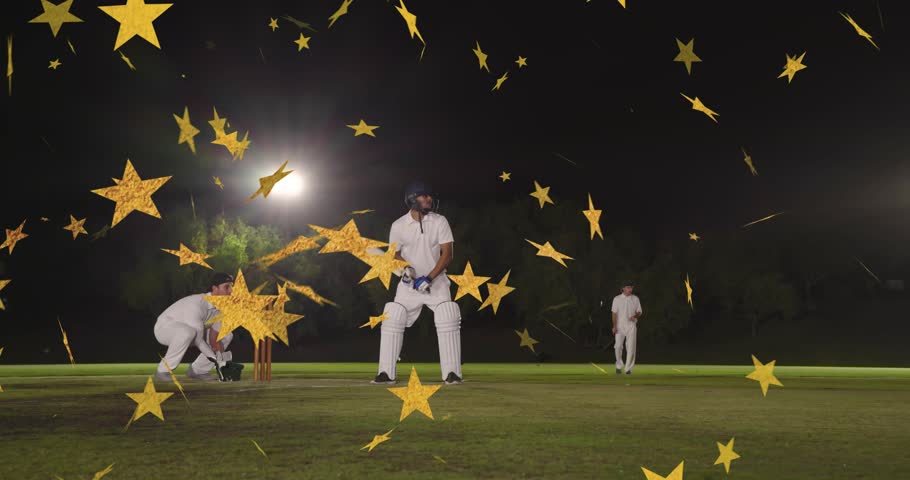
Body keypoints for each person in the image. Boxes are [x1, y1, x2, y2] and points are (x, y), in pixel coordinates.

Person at [372, 181, 463, 385]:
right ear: (413, 199)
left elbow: (447, 254)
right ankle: (386, 372)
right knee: (393, 315)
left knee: (447, 314)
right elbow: (394, 254)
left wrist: (429, 277)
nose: (429, 199)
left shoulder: (440, 221)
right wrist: (407, 269)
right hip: (409, 287)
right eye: (424, 196)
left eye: (430, 196)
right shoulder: (398, 225)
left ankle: (452, 373)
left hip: (437, 284)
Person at [153, 272, 235, 382]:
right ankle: (163, 371)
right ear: (215, 289)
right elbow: (198, 341)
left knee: (227, 335)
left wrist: (222, 362)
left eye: (231, 287)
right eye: (227, 287)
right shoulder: (197, 303)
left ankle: (198, 370)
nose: (231, 291)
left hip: (192, 333)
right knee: (188, 332)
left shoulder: (221, 309)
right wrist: (216, 360)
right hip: (164, 329)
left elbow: (215, 339)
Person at [611, 280, 642, 375]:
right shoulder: (617, 299)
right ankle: (619, 365)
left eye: (631, 287)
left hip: (631, 326)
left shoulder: (635, 299)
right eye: (628, 287)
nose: (630, 289)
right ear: (623, 288)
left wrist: (635, 316)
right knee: (618, 346)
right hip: (620, 326)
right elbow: (614, 313)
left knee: (631, 347)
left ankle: (628, 368)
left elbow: (639, 312)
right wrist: (614, 326)